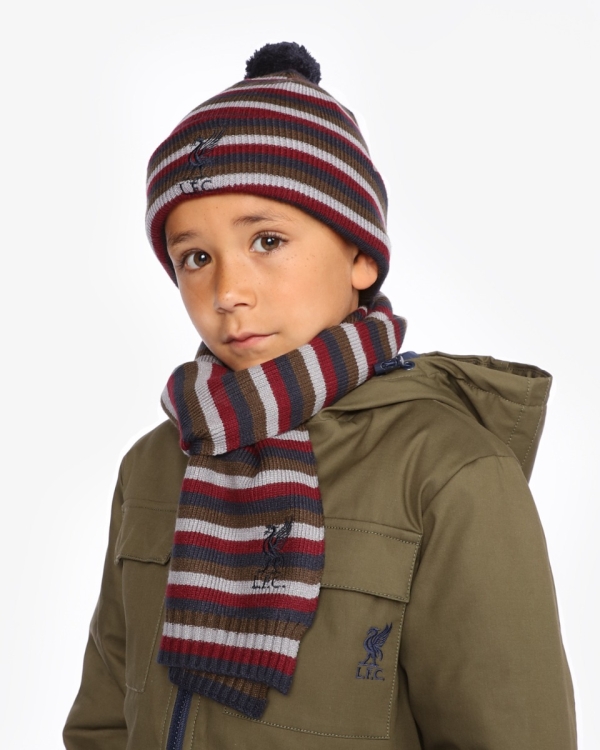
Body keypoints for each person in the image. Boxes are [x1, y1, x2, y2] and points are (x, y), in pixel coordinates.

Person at [63, 42, 576, 749]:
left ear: (361, 255)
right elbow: (103, 722)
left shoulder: (449, 472)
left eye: (267, 240)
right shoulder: (156, 463)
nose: (228, 292)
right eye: (196, 257)